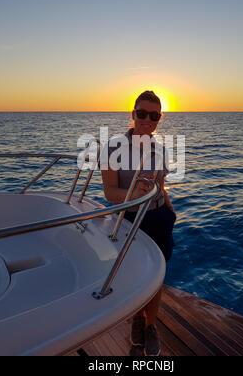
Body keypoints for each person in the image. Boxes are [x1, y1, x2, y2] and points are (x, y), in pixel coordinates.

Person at [101, 90, 176, 356]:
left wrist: (167, 202)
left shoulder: (161, 149)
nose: (147, 119)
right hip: (129, 218)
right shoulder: (112, 147)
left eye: (154, 115)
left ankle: (151, 325)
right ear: (133, 114)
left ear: (159, 119)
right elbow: (110, 192)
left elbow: (161, 184)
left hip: (158, 217)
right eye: (142, 113)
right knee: (134, 274)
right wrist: (131, 195)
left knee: (157, 275)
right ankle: (136, 317)